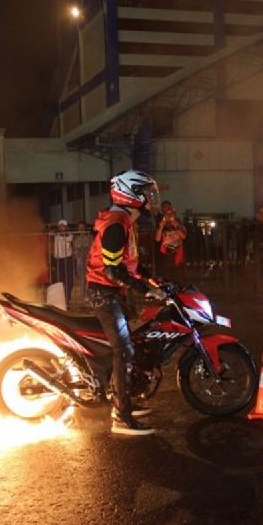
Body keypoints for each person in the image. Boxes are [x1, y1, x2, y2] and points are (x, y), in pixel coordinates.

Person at [86, 170, 166, 436]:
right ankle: (120, 416)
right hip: (103, 293)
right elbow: (112, 271)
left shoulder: (124, 222)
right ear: (130, 193)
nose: (150, 198)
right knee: (124, 351)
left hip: (112, 293)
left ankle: (123, 401)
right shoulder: (116, 225)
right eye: (145, 192)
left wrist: (153, 280)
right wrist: (145, 290)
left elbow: (130, 265)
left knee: (130, 346)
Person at [155, 205, 187, 281]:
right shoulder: (162, 225)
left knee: (178, 275)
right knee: (166, 275)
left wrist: (176, 227)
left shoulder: (178, 224)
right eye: (167, 214)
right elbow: (157, 239)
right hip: (166, 253)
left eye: (171, 214)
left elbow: (184, 236)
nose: (169, 216)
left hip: (177, 253)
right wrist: (161, 227)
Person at [51, 219, 74, 307]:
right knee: (58, 279)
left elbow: (69, 238)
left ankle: (67, 297)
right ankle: (59, 298)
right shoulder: (55, 234)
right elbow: (51, 234)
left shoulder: (69, 235)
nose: (61, 227)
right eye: (60, 225)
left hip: (67, 258)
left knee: (69, 279)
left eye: (63, 225)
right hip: (58, 259)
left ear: (66, 227)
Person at [73, 220, 93, 306]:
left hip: (89, 262)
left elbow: (91, 249)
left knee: (90, 279)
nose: (81, 228)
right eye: (79, 227)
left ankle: (90, 296)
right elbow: (75, 251)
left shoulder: (89, 237)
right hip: (80, 262)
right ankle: (84, 296)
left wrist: (82, 250)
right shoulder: (76, 239)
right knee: (82, 280)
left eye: (82, 227)